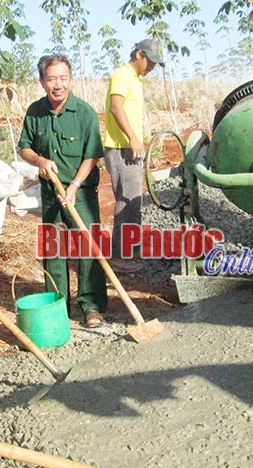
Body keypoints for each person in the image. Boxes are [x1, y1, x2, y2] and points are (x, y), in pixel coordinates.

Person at [18, 54, 107, 328]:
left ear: (71, 79)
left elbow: (91, 155)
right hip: (51, 193)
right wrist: (40, 161)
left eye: (63, 78)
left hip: (79, 193)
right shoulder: (34, 112)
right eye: (51, 79)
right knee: (53, 251)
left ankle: (91, 306)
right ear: (42, 81)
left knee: (87, 247)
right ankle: (58, 307)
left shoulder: (84, 113)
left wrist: (74, 186)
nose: (58, 85)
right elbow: (25, 148)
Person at [103, 38, 165, 271]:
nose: (152, 67)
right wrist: (132, 137)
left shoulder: (135, 79)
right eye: (150, 61)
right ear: (139, 54)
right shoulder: (122, 75)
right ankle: (120, 256)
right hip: (121, 148)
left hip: (129, 147)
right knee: (127, 201)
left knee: (133, 200)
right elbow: (115, 107)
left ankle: (130, 251)